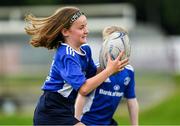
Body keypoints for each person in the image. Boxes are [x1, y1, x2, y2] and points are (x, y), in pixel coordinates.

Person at [24, 7, 129, 125]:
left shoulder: (85, 50)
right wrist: (109, 71)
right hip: (51, 111)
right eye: (81, 27)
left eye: (86, 26)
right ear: (65, 32)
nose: (86, 31)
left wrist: (110, 66)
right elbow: (84, 89)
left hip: (65, 109)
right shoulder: (66, 55)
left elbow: (92, 75)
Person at [75, 26, 139, 126]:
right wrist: (76, 121)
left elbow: (131, 99)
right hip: (87, 122)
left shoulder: (129, 71)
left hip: (107, 123)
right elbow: (82, 95)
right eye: (106, 42)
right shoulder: (96, 70)